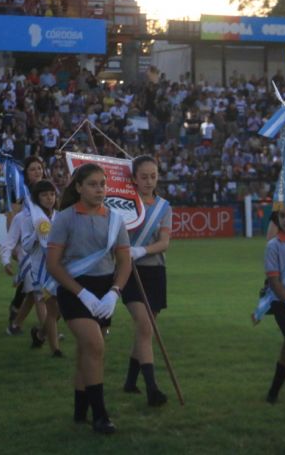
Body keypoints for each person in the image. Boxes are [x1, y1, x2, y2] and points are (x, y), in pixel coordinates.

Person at [46, 163, 131, 434]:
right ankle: (100, 415)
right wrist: (80, 292)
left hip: (105, 291)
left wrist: (114, 293)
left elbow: (125, 262)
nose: (99, 189)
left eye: (102, 184)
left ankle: (80, 410)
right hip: (74, 291)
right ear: (79, 187)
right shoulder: (65, 218)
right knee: (95, 346)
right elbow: (53, 264)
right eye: (93, 184)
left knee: (87, 351)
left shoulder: (115, 219)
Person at [121, 156, 172, 406]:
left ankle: (130, 381)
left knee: (144, 331)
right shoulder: (124, 204)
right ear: (134, 178)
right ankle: (152, 388)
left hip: (154, 272)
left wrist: (142, 250)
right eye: (144, 176)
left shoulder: (164, 206)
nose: (149, 181)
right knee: (144, 326)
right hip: (128, 273)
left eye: (153, 176)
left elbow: (164, 242)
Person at [252, 206, 285, 404]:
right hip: (282, 304)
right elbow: (274, 281)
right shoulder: (273, 246)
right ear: (276, 219)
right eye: (282, 216)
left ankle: (272, 394)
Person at [17, 179, 63, 356]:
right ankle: (55, 349)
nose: (49, 198)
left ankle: (40, 334)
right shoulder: (30, 219)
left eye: (52, 194)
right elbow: (26, 246)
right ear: (37, 198)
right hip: (40, 268)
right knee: (52, 308)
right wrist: (37, 234)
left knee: (58, 310)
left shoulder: (59, 216)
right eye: (44, 195)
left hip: (59, 267)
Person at [6, 157, 46, 328]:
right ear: (26, 174)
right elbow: (13, 218)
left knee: (33, 290)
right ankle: (47, 330)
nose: (37, 171)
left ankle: (16, 319)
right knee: (38, 289)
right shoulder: (21, 192)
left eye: (39, 168)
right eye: (33, 169)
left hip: (44, 246)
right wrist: (13, 246)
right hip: (26, 247)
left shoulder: (48, 190)